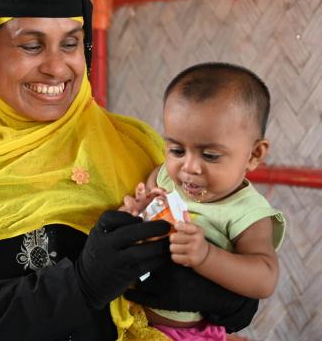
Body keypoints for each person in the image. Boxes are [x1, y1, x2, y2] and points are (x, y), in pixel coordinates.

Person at [0, 0, 260, 340]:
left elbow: (243, 289)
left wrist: (206, 291)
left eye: (70, 44)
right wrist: (79, 286)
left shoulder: (136, 147)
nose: (57, 68)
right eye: (31, 46)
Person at [113, 63, 286, 340]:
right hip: (128, 316)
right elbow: (136, 223)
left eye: (210, 156)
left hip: (188, 334)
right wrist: (132, 214)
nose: (189, 167)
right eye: (177, 150)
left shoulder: (248, 213)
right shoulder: (164, 179)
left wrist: (206, 256)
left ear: (254, 154)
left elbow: (264, 278)